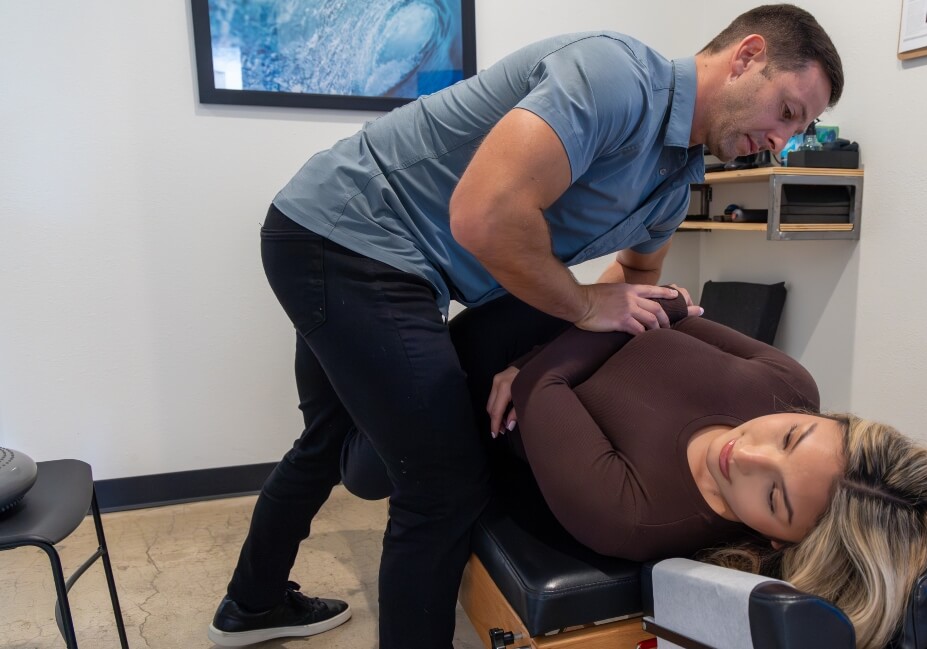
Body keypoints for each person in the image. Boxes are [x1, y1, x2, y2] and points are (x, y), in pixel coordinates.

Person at [209, 5, 844, 648]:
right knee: (444, 489)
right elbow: (484, 218)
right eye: (788, 113)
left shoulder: (674, 186)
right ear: (746, 57)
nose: (782, 142)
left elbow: (631, 284)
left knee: (326, 440)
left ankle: (251, 604)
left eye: (800, 130)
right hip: (350, 238)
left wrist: (553, 354)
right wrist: (584, 309)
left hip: (381, 258)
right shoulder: (615, 76)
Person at [344, 293, 927, 649]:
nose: (746, 451)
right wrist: (563, 353)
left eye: (773, 497)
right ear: (830, 419)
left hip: (480, 392)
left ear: (778, 540)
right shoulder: (792, 387)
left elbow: (544, 386)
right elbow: (671, 304)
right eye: (792, 435)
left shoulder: (632, 515)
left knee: (360, 473)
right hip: (524, 316)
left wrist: (558, 358)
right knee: (358, 387)